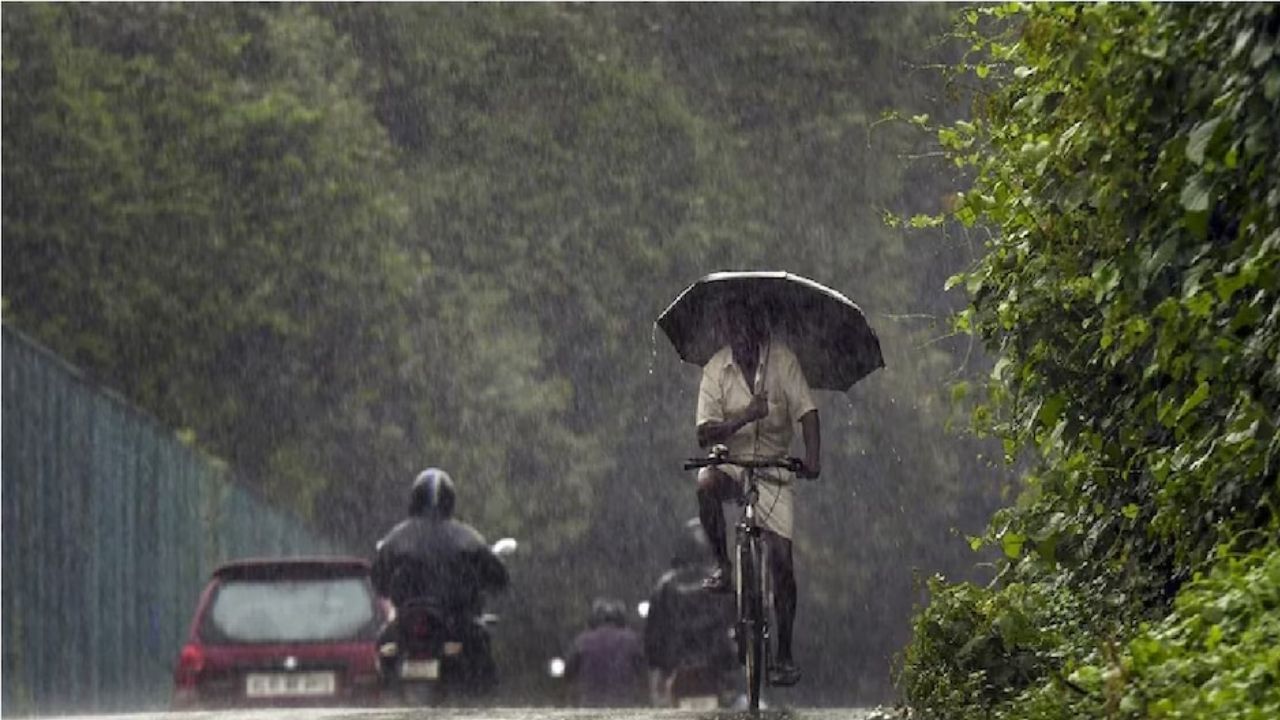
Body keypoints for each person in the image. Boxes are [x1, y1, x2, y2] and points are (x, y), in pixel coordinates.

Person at [694, 299, 820, 687]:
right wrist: (746, 415)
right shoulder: (716, 368)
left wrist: (812, 459)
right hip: (732, 463)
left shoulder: (784, 363)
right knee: (705, 483)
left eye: (748, 332)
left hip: (774, 468)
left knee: (782, 561)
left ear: (761, 332)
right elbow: (704, 434)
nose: (742, 342)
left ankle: (783, 654)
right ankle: (723, 565)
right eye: (734, 333)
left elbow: (808, 413)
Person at [372, 467, 509, 693]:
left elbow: (378, 579)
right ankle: (483, 699)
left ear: (414, 499)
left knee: (383, 646)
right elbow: (498, 578)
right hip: (456, 620)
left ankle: (384, 689)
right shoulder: (467, 538)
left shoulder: (396, 538)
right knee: (483, 655)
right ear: (450, 501)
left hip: (410, 623)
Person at [643, 518, 736, 707]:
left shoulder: (665, 586)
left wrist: (659, 666)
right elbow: (737, 626)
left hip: (678, 669)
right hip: (715, 669)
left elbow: (653, 636)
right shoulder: (724, 584)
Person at [563, 597, 647, 707]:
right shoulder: (632, 640)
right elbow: (642, 672)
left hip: (590, 703)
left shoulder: (582, 640)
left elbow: (569, 673)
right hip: (623, 703)